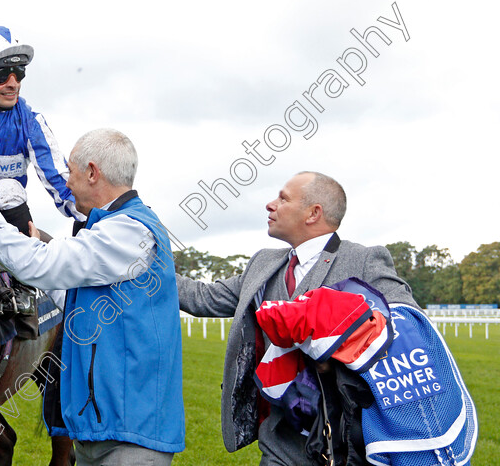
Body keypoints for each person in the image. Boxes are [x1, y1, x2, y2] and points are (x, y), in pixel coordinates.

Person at [0, 128, 185, 465]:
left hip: (130, 438)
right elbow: (72, 298)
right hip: (105, 430)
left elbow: (45, 265)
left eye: (71, 173)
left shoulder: (130, 229)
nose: (66, 183)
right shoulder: (111, 230)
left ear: (93, 172)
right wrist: (28, 256)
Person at [177, 171, 419, 466]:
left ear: (313, 213)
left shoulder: (365, 260)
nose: (270, 205)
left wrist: (335, 355)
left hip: (345, 444)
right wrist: (151, 262)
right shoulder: (263, 263)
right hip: (279, 442)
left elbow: (406, 323)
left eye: (283, 198)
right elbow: (203, 298)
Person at [0, 25, 84, 235]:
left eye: (18, 72)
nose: (13, 84)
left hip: (3, 219)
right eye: (0, 75)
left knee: (8, 189)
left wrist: (97, 217)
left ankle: (19, 264)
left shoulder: (30, 121)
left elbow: (61, 181)